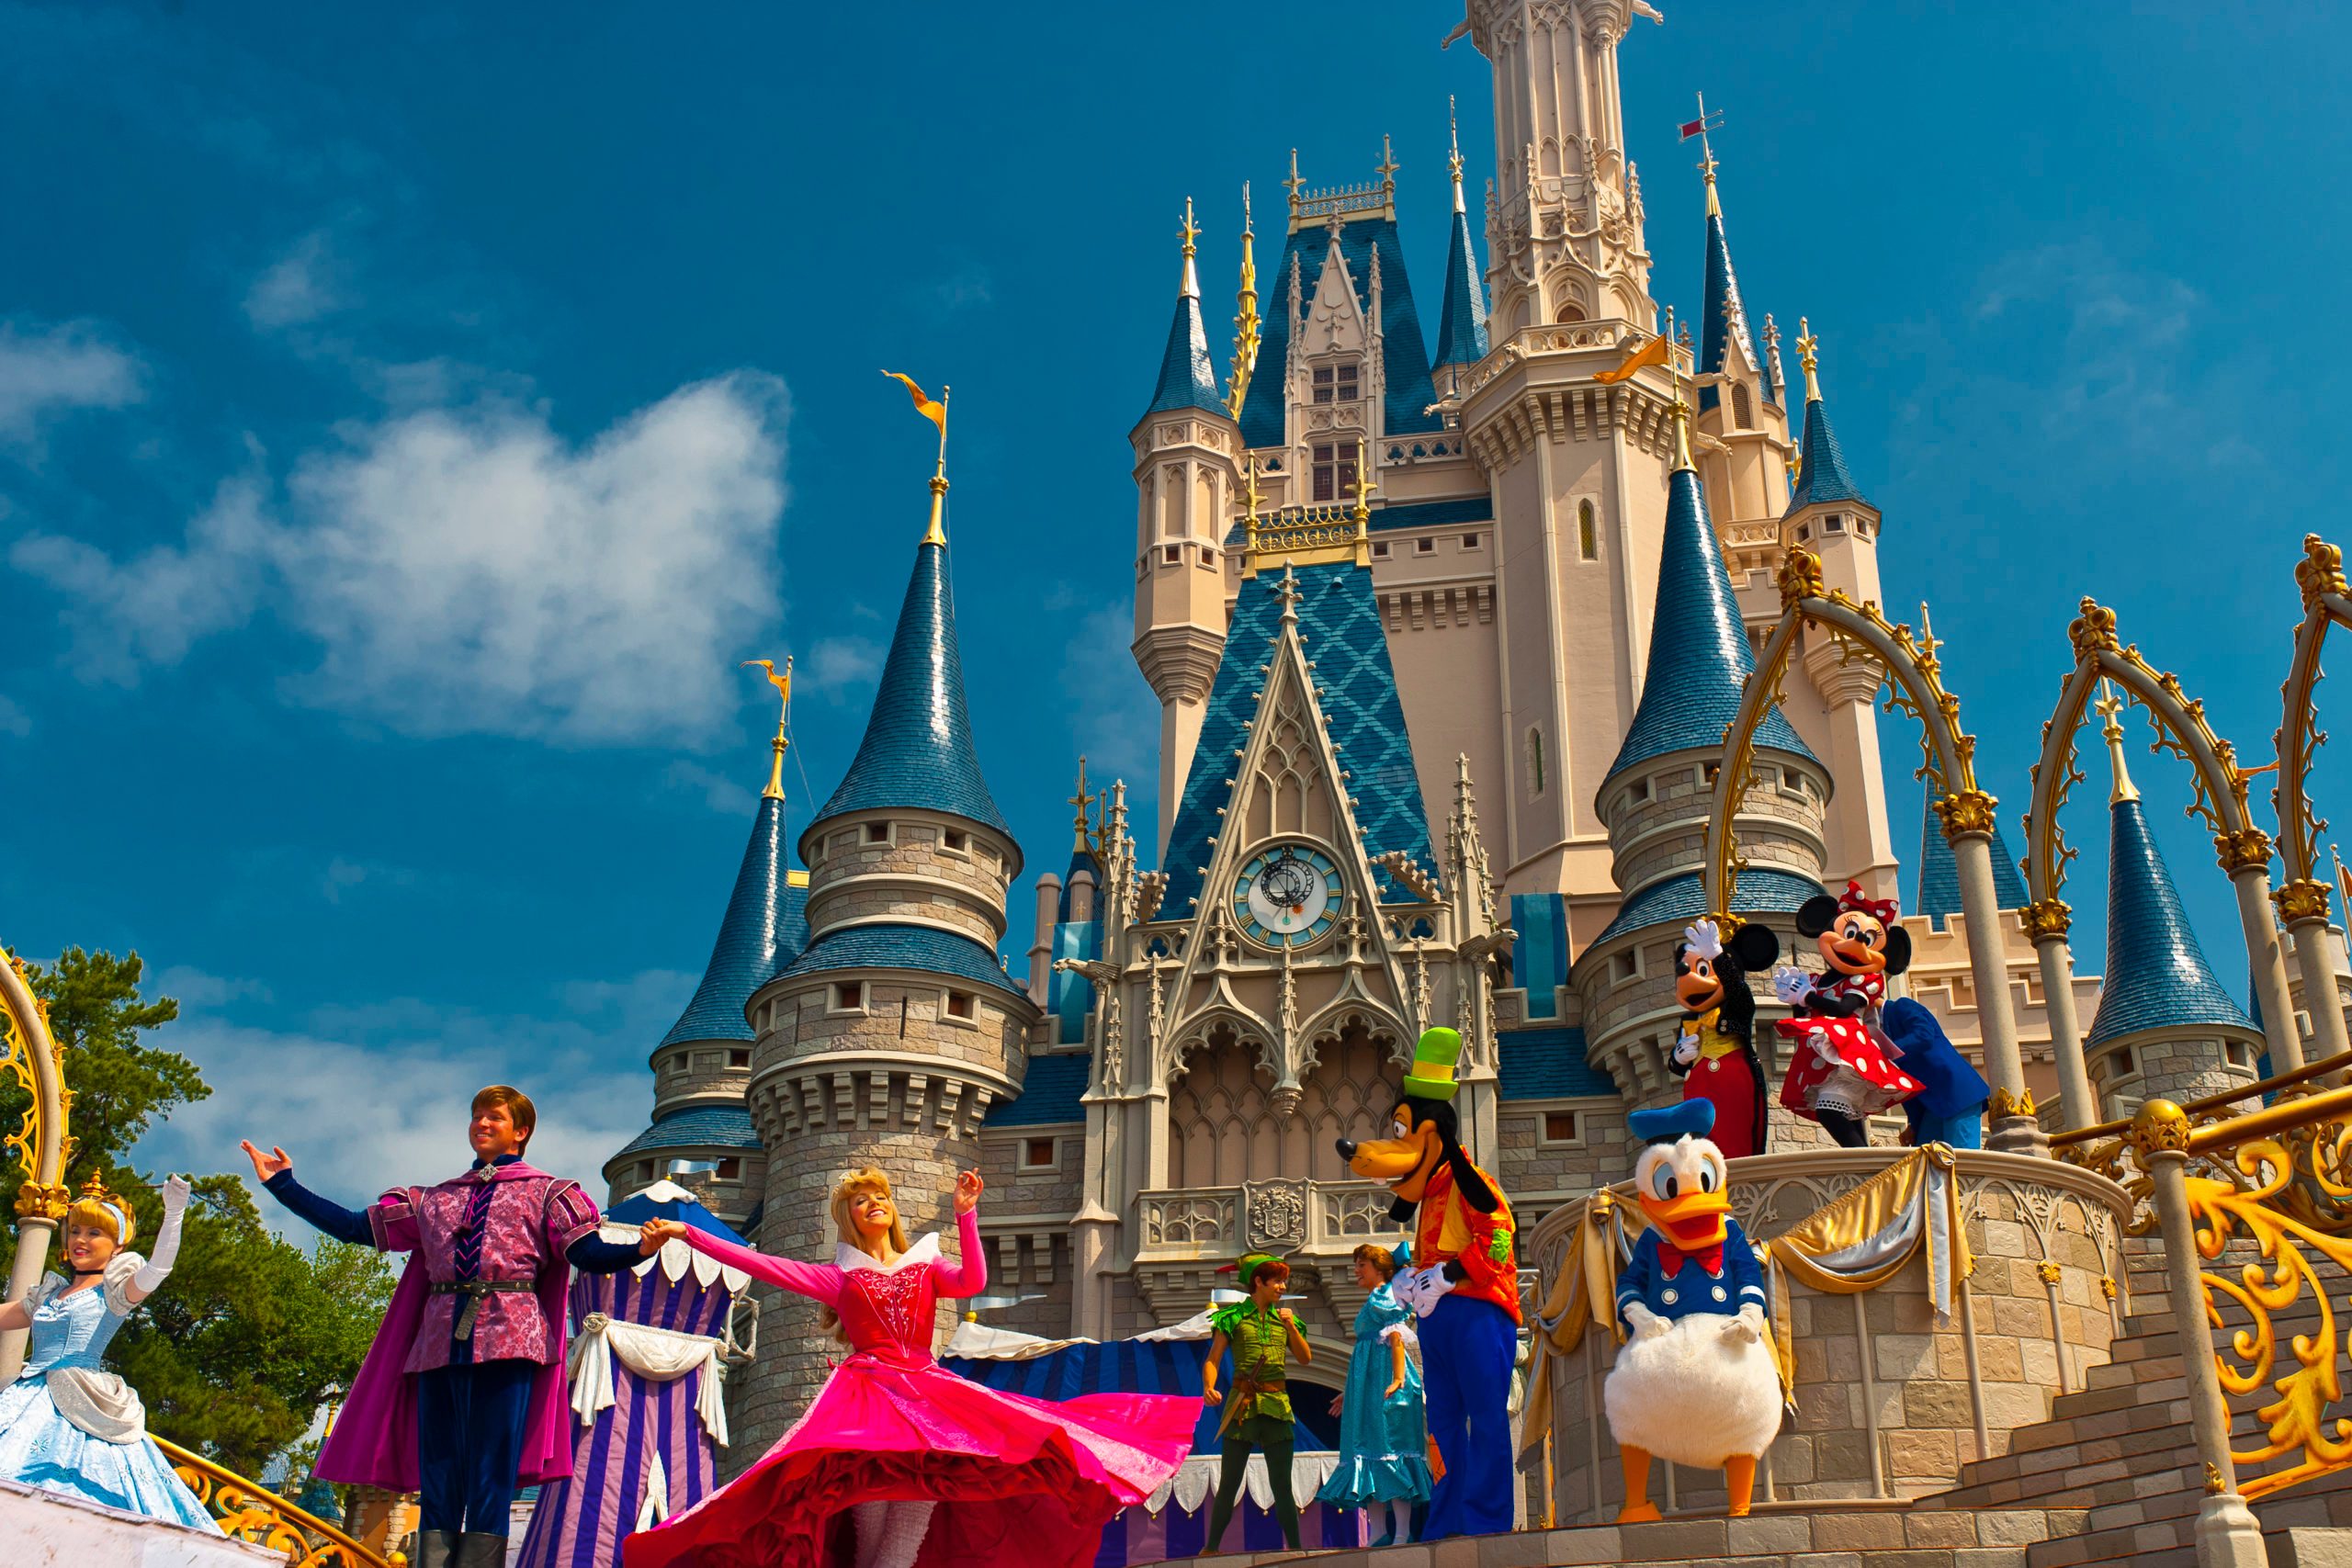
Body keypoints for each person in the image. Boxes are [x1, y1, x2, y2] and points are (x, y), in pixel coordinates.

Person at [623, 1167, 1193, 1568]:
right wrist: (687, 1232)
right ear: (848, 1218)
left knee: (909, 1524)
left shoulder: (925, 1266)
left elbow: (973, 1283)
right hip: (867, 1400)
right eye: (861, 1200)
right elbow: (758, 1262)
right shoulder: (839, 1277)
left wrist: (966, 1217)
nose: (875, 1205)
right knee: (869, 1523)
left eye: (881, 1198)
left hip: (928, 1400)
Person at [244, 1086, 658, 1568]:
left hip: (511, 1340)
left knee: (491, 1474)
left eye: (495, 1118)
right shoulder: (433, 1200)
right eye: (477, 1116)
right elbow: (357, 1228)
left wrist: (638, 1251)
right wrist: (284, 1185)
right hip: (439, 1343)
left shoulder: (550, 1192)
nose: (482, 1123)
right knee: (438, 1472)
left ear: (520, 1132)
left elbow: (584, 1253)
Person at [0, 1173, 215, 1530]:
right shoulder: (46, 1296)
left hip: (84, 1401)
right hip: (25, 1396)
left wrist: (174, 1214)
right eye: (75, 1231)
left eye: (94, 1233)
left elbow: (158, 1268)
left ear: (117, 1246)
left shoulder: (115, 1292)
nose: (80, 1240)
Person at [1314, 1242, 1430, 1547]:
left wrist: (1397, 1378)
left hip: (1385, 1382)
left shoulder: (1386, 1297)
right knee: (1368, 1455)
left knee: (1393, 1449)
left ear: (1378, 1269)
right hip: (1368, 1384)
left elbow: (1396, 1337)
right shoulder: (1374, 1299)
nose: (1356, 1270)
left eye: (1361, 1265)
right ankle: (1379, 1533)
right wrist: (1350, 1391)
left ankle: (1402, 1533)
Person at [1200, 1252, 1311, 1553]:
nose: (1283, 1287)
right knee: (1229, 1483)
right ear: (1259, 1282)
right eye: (1277, 1281)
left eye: (1284, 1282)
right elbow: (1213, 1359)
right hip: (1243, 1406)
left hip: (1276, 1404)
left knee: (1282, 1486)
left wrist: (1290, 1328)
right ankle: (1211, 1548)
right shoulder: (1233, 1317)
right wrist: (1209, 1386)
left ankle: (1297, 1549)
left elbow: (1305, 1358)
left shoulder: (1286, 1320)